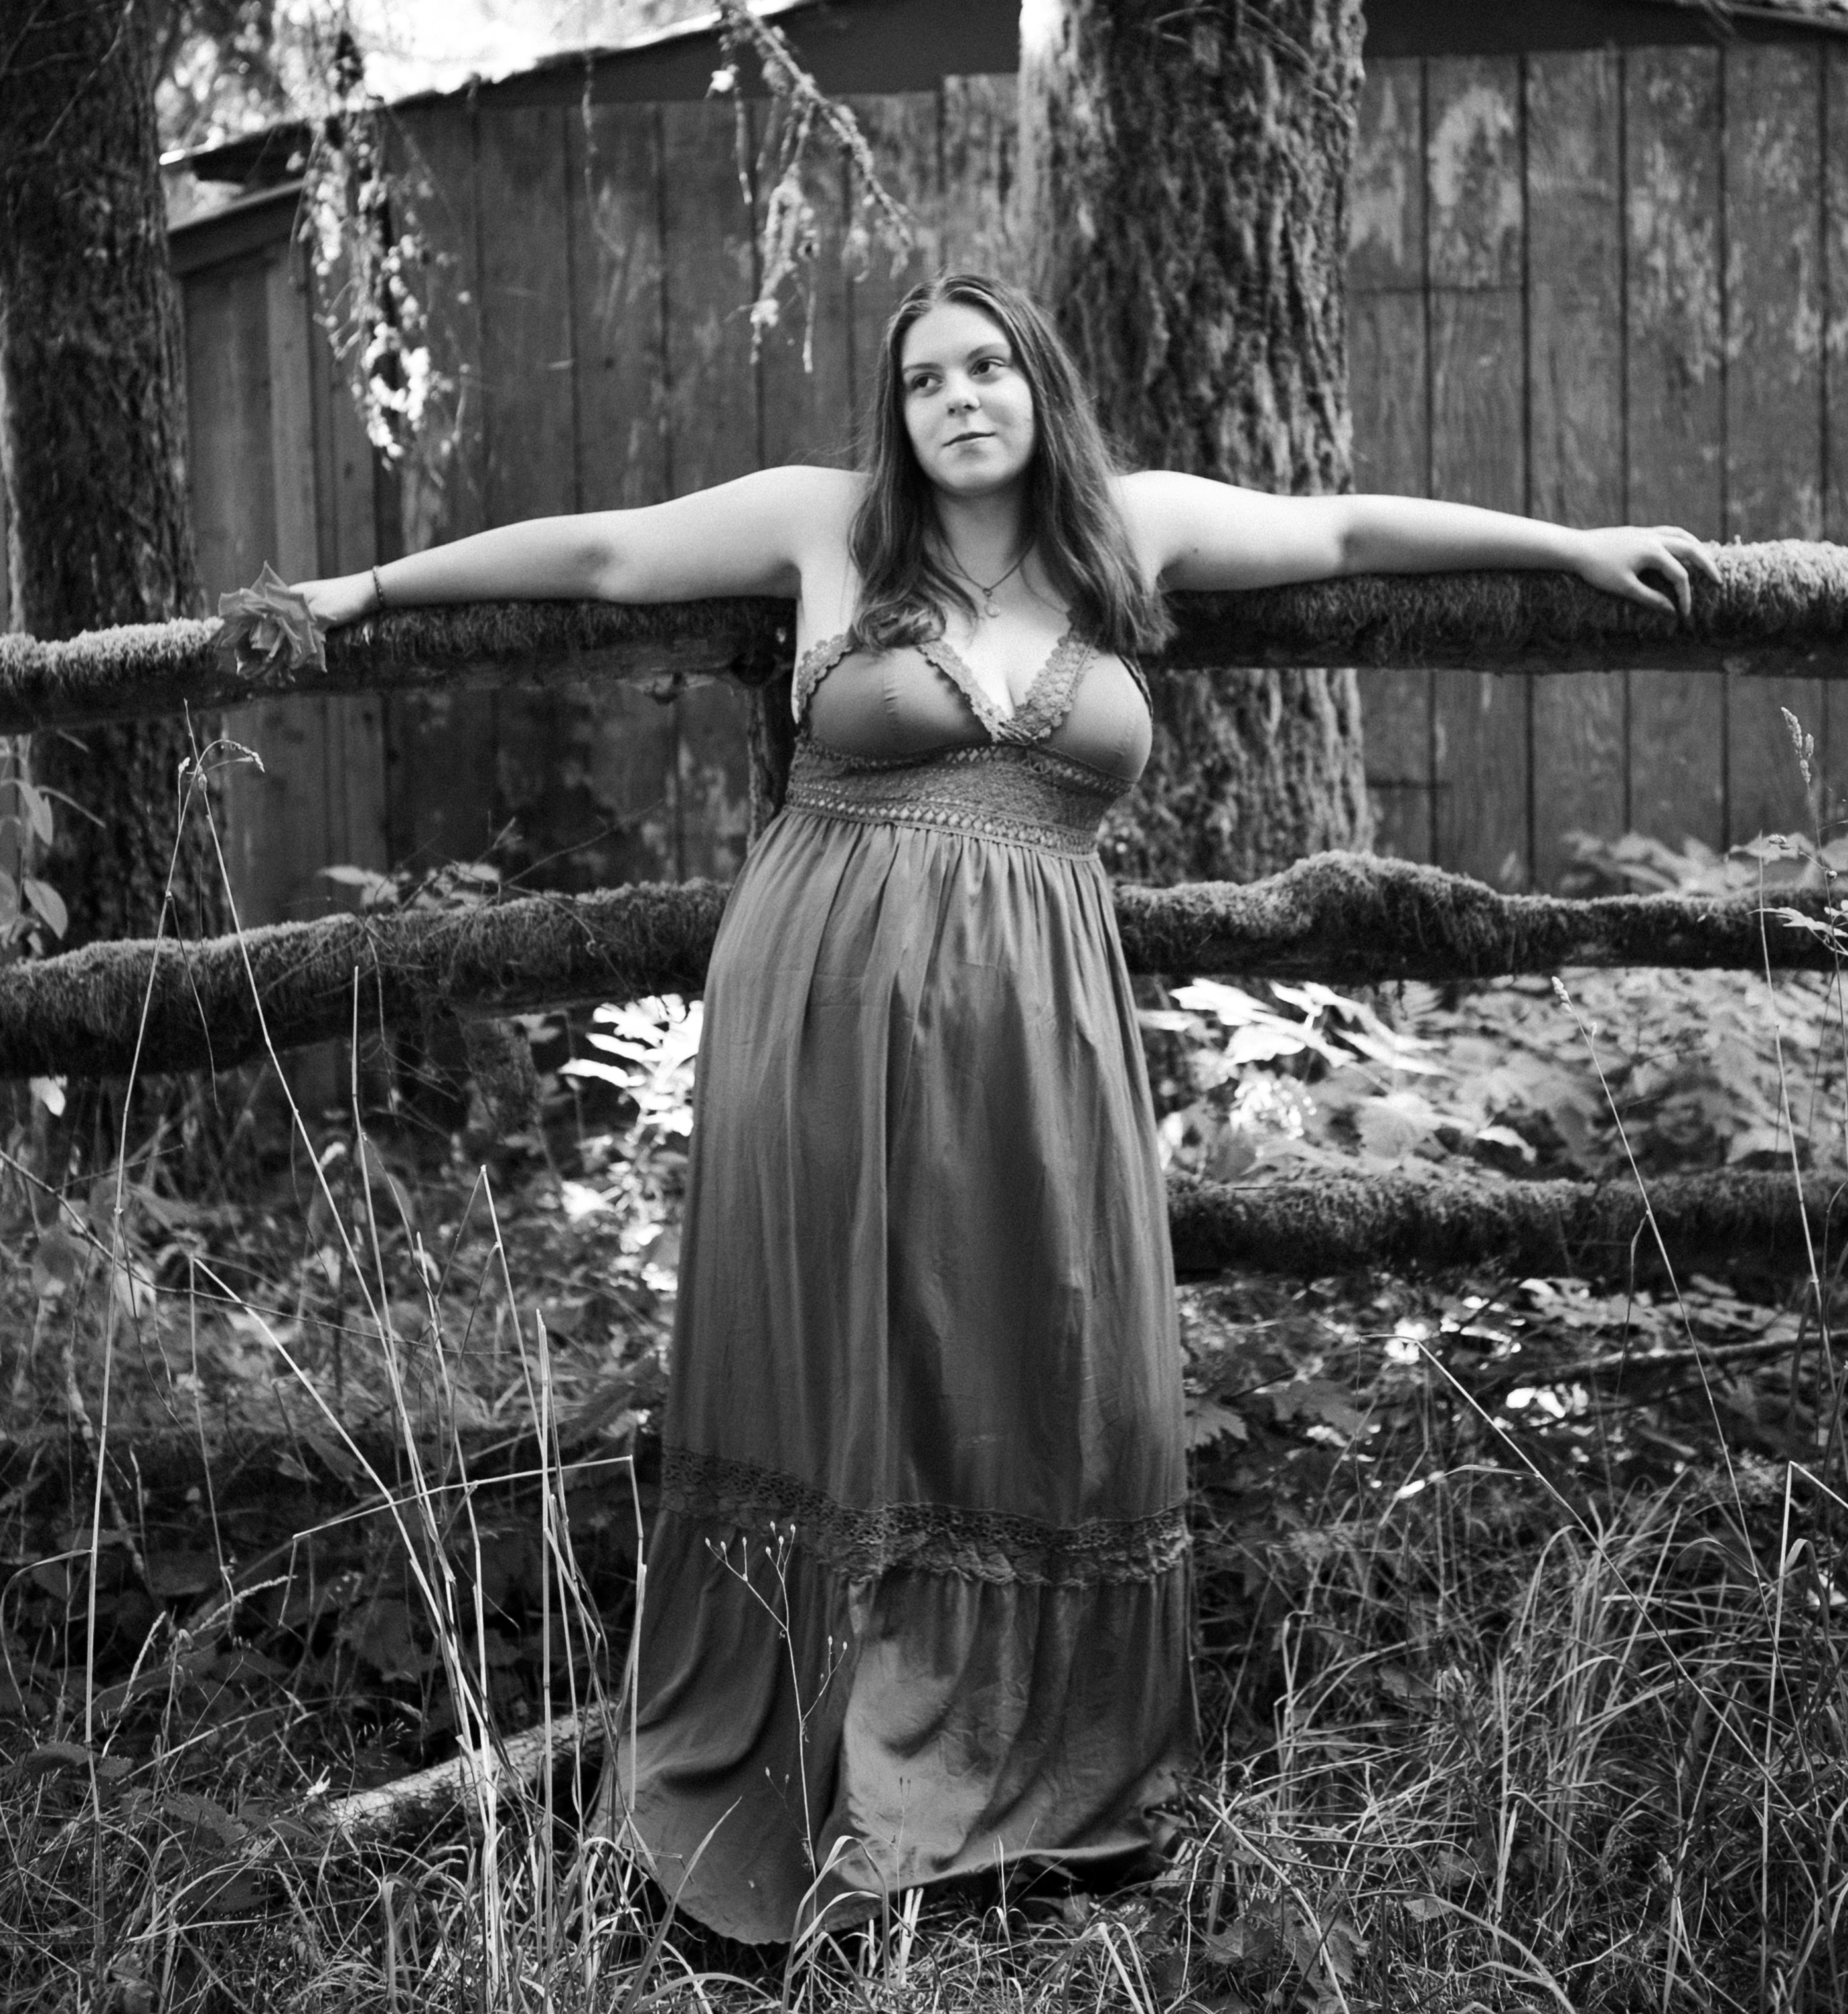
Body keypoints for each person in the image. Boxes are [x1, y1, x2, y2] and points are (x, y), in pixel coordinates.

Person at [294, 269, 1716, 1942]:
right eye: (922, 382)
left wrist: (1565, 546)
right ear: (892, 417)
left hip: (1044, 1024)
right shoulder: (825, 527)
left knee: (1045, 1340)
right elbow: (599, 549)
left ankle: (1019, 1759)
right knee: (840, 1342)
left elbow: (1341, 532)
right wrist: (363, 588)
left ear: (1040, 384)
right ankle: (820, 1734)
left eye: (987, 369)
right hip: (819, 1003)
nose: (958, 400)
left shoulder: (1133, 530)